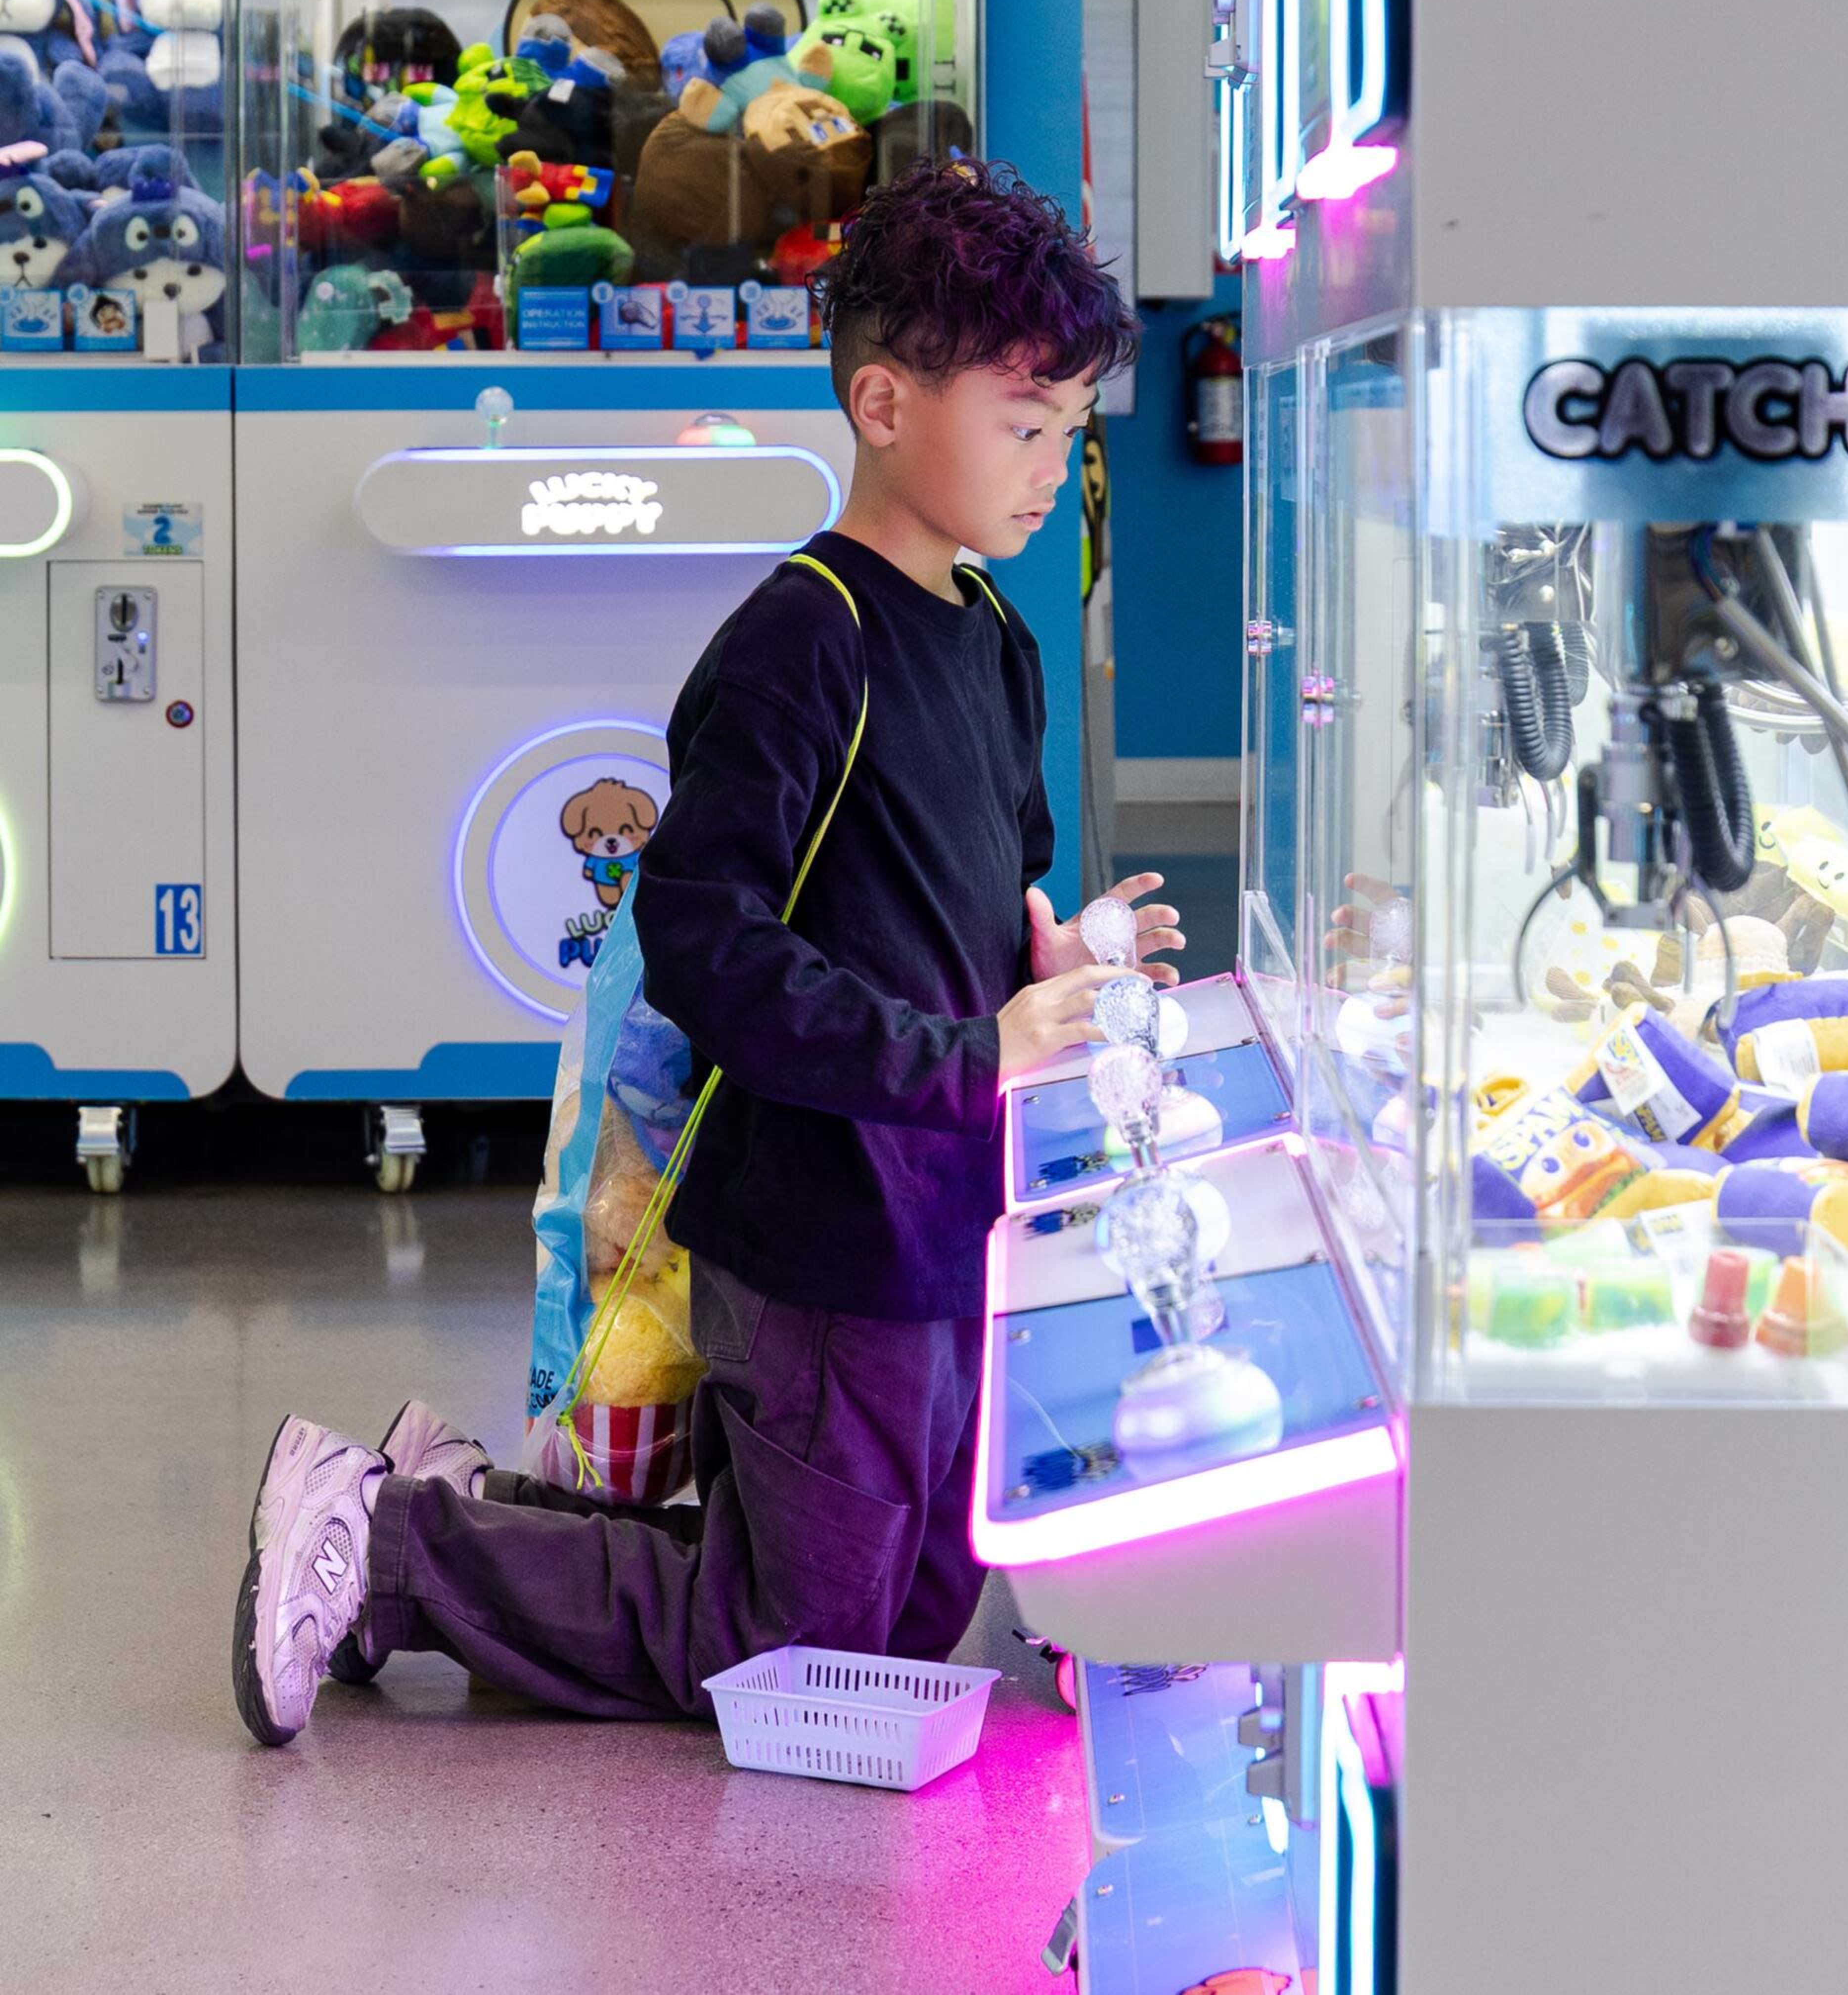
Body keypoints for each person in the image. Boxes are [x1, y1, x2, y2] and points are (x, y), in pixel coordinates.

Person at [232, 158, 1180, 1745]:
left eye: (1070, 427)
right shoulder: (804, 638)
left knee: (907, 1611)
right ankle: (388, 1545)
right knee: (790, 1644)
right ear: (883, 403)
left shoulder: (998, 639)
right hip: (818, 1228)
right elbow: (703, 941)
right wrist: (973, 1054)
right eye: (1023, 425)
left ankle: (450, 1504)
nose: (1052, 467)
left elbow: (985, 888)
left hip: (944, 1214)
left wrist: (1062, 956)